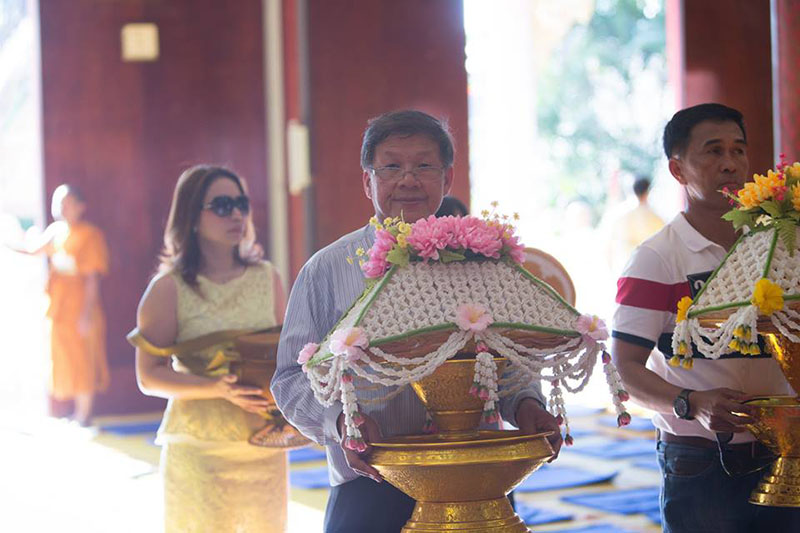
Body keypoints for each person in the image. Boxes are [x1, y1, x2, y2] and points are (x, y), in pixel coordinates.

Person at [272, 109, 562, 532]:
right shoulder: (327, 270)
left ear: (447, 179)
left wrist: (527, 405)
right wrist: (342, 421)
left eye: (424, 166)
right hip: (371, 482)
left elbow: (510, 359)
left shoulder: (481, 264)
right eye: (391, 167)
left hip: (478, 481)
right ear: (368, 181)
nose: (408, 180)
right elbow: (289, 379)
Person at [611, 103, 800, 532]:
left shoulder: (779, 245)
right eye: (713, 151)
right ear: (678, 170)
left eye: (738, 150)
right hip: (702, 460)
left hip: (786, 452)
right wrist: (691, 403)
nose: (730, 164)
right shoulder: (657, 258)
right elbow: (625, 370)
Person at [132, 165, 288, 532]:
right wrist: (217, 388)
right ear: (191, 217)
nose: (236, 214)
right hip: (200, 451)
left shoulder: (268, 278)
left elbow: (285, 357)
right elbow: (148, 376)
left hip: (264, 446)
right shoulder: (168, 288)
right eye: (221, 205)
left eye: (241, 203)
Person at [9, 184, 110, 426]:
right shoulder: (56, 232)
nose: (62, 209)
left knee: (83, 358)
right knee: (65, 357)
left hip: (80, 306)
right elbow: (32, 250)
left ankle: (84, 414)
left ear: (81, 206)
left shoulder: (90, 234)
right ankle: (75, 411)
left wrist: (86, 314)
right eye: (58, 203)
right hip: (59, 306)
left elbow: (92, 278)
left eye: (67, 203)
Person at [605, 176, 665, 276]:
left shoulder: (619, 216)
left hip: (623, 270)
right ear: (648, 192)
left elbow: (609, 247)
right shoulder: (655, 218)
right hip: (648, 272)